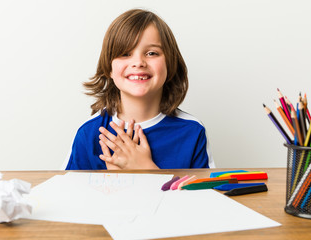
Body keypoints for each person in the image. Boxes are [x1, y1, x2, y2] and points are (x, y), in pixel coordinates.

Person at [65, 8, 215, 170]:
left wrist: (148, 170)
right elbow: (65, 194)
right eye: (125, 53)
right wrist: (111, 180)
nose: (138, 62)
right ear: (109, 67)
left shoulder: (192, 131)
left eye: (151, 53)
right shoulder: (88, 132)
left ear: (169, 64)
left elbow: (204, 195)